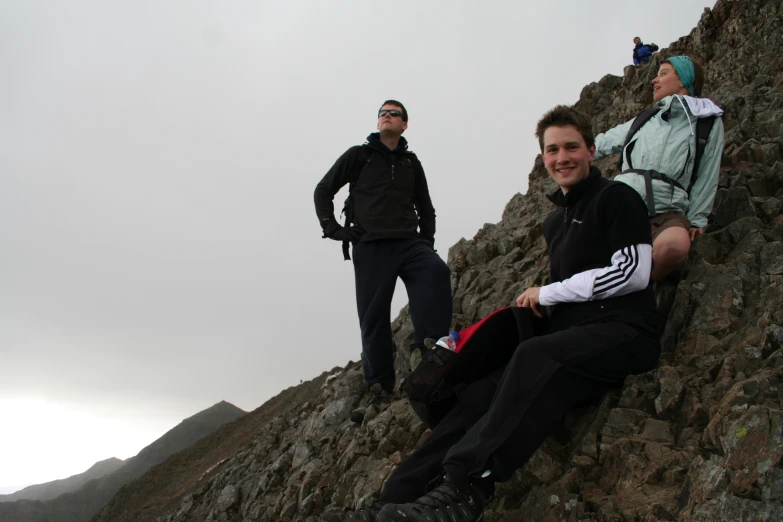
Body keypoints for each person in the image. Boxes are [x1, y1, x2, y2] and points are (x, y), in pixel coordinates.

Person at [321, 106, 661, 522]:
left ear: (592, 150)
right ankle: (389, 501)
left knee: (535, 357)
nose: (562, 157)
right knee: (478, 393)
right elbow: (565, 300)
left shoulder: (617, 197)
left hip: (626, 331)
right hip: (572, 339)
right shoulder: (556, 222)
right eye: (552, 149)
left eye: (572, 147)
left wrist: (547, 293)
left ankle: (464, 488)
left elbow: (634, 271)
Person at [314, 100, 452, 401]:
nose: (387, 116)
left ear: (404, 125)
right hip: (371, 245)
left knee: (436, 270)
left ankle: (428, 347)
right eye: (382, 113)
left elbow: (426, 207)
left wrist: (426, 242)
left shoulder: (410, 163)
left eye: (394, 113)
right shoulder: (359, 155)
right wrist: (334, 230)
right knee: (373, 315)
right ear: (378, 123)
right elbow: (323, 190)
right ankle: (379, 385)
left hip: (408, 242)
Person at [594, 55, 725, 281]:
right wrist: (568, 150)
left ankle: (641, 286)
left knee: (674, 247)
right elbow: (603, 143)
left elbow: (707, 173)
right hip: (622, 204)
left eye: (663, 74)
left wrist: (696, 220)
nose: (654, 80)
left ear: (684, 80)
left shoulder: (707, 121)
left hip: (667, 211)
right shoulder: (646, 118)